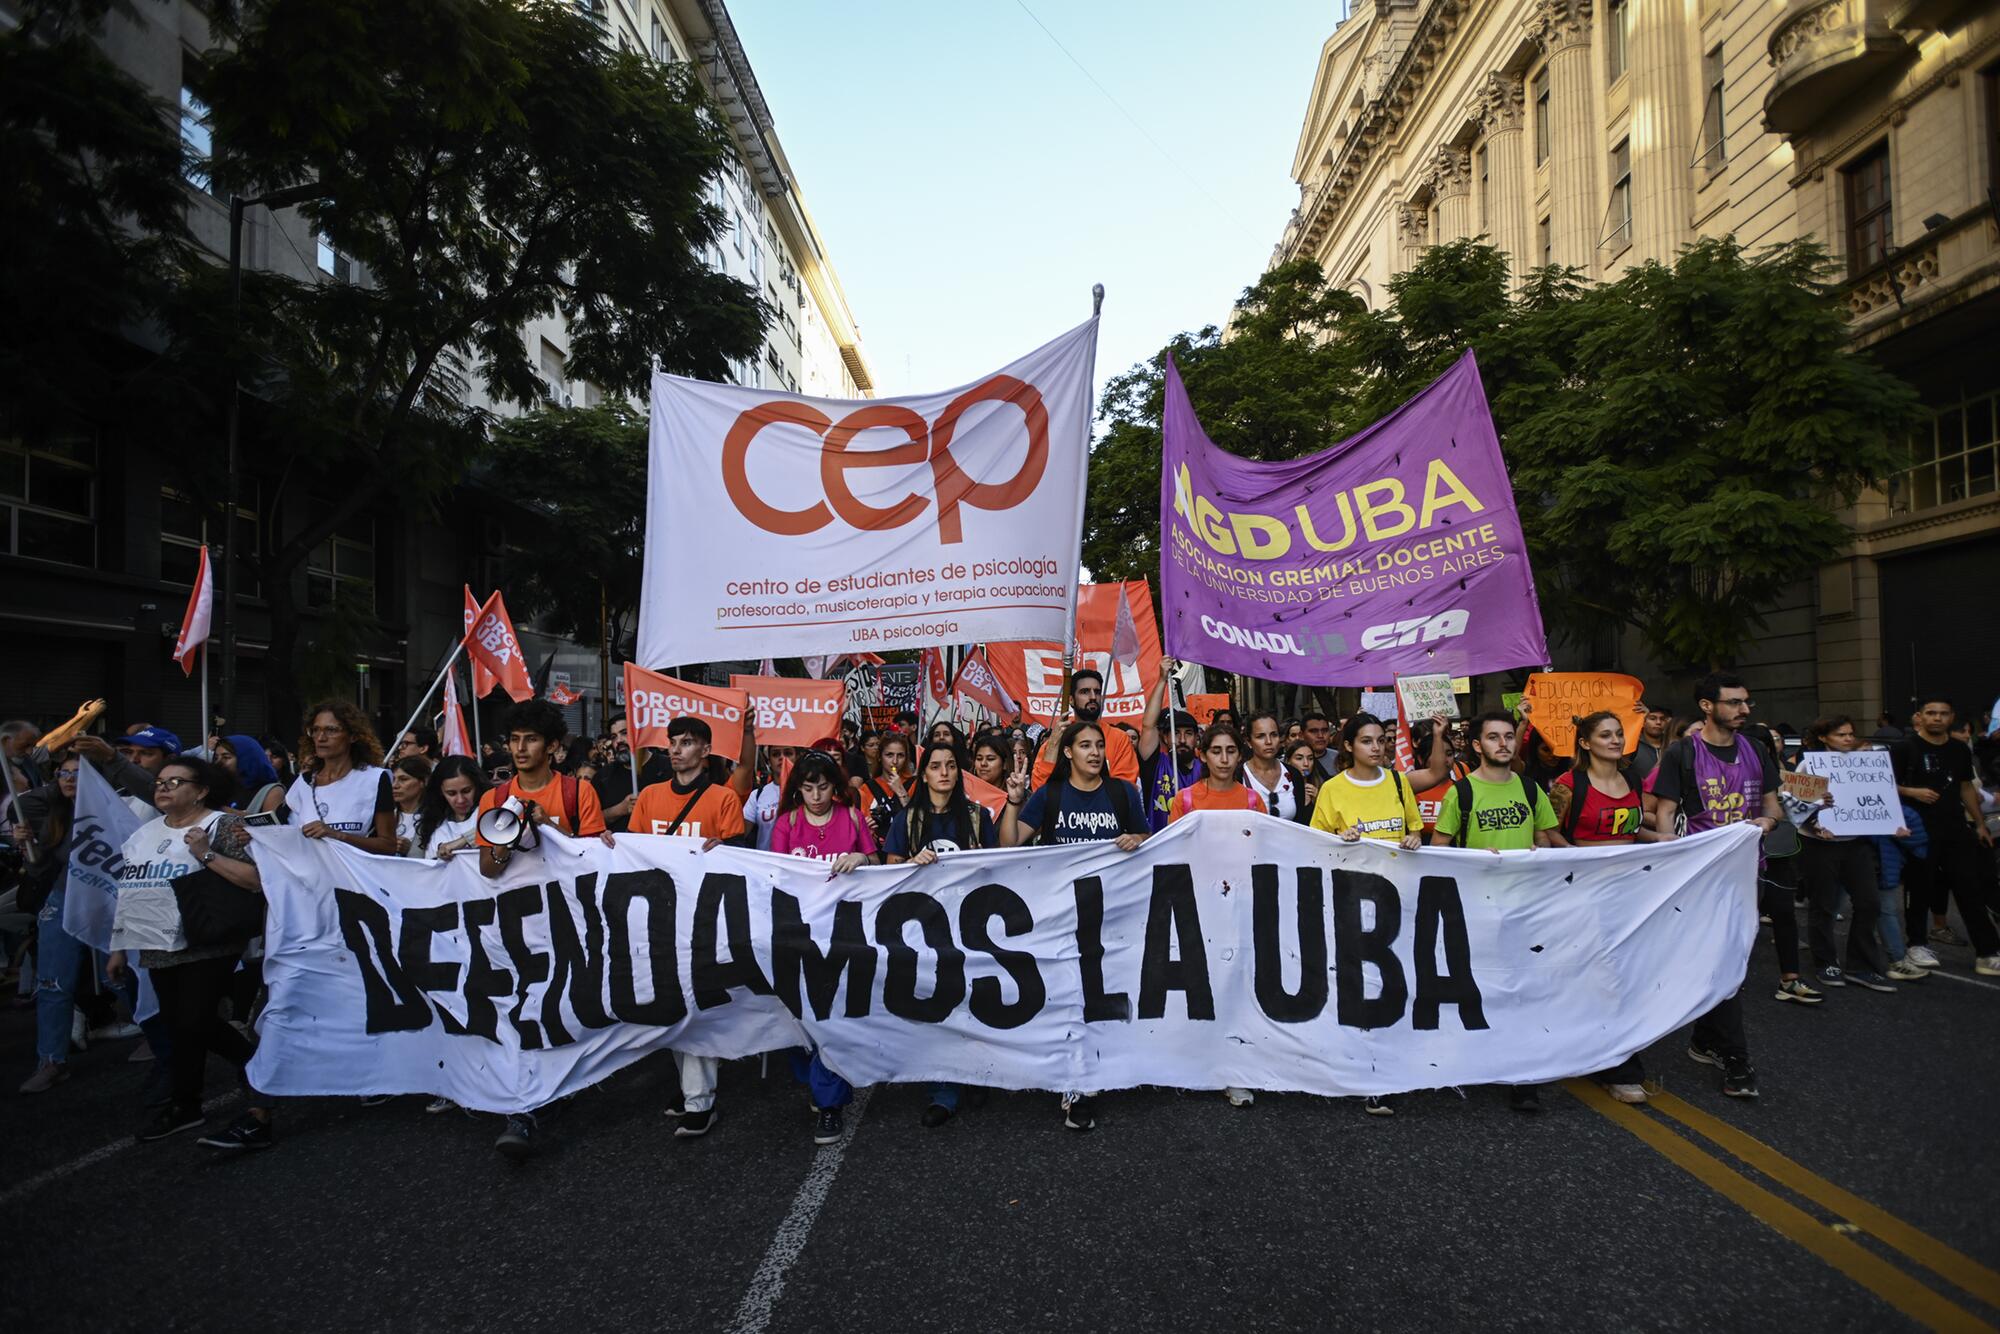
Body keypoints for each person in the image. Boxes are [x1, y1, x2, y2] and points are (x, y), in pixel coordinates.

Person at [105, 756, 274, 1150]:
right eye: (160, 782)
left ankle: (257, 1070)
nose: (163, 788)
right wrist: (118, 948)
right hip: (157, 945)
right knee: (180, 1025)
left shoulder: (222, 826)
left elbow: (256, 879)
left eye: (175, 782)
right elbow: (129, 892)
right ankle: (188, 1104)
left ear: (201, 791)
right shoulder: (144, 835)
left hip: (207, 941)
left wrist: (205, 854)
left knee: (194, 1021)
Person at [475, 699, 615, 1156]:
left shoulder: (577, 793)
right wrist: (507, 838)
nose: (520, 748)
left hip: (567, 918)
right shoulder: (494, 799)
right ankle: (526, 1107)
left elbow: (589, 859)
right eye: (514, 740)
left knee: (563, 1003)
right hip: (516, 921)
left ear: (552, 747)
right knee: (523, 1008)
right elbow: (488, 868)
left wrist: (549, 824)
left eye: (531, 740)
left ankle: (556, 1084)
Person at [1001, 720, 1148, 1131]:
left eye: (1099, 745)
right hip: (1061, 917)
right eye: (1085, 745)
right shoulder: (1049, 795)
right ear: (1068, 752)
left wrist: (1138, 840)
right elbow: (1009, 844)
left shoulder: (1123, 793)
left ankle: (1102, 1069)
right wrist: (1013, 802)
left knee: (1100, 997)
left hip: (1112, 916)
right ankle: (1077, 1084)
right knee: (1069, 1000)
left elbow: (1147, 840)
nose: (1095, 752)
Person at [1650, 673, 1786, 1099]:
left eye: (1746, 702)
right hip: (1701, 877)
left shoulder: (1756, 750)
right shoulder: (1683, 752)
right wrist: (1669, 852)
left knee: (1730, 960)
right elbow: (1665, 811)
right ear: (1707, 706)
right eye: (1733, 702)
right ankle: (1736, 1058)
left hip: (1747, 872)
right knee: (1722, 961)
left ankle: (1705, 1039)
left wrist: (1767, 822)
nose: (1744, 710)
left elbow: (1773, 805)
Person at [1429, 710, 1559, 1113]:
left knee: (1521, 988)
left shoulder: (1530, 789)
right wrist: (1472, 859)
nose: (1503, 743)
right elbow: (1438, 849)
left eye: (1508, 736)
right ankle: (1471, 1057)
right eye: (1493, 737)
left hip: (1522, 906)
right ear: (1477, 745)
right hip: (1477, 908)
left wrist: (1539, 850)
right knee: (1479, 984)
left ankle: (1522, 1076)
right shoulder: (1462, 793)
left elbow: (1545, 838)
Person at [628, 715, 745, 1140]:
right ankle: (691, 1086)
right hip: (659, 917)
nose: (676, 750)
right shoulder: (649, 796)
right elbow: (633, 853)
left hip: (702, 919)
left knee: (692, 1001)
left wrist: (725, 849)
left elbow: (738, 860)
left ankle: (699, 1100)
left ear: (706, 750)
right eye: (673, 742)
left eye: (687, 742)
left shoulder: (723, 798)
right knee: (669, 1002)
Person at [1545, 710, 1661, 1104]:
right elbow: (1547, 831)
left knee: (1627, 975)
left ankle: (1611, 1055)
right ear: (1585, 743)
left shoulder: (1632, 780)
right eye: (1606, 735)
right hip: (1584, 894)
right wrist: (1578, 858)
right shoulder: (1569, 784)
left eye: (1618, 734)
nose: (1615, 741)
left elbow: (1631, 827)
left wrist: (1660, 841)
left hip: (1628, 891)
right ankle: (1616, 1066)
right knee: (1599, 976)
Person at [885, 742, 998, 1128]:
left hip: (971, 924)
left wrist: (981, 861)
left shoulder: (978, 817)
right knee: (938, 1006)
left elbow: (1000, 868)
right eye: (935, 766)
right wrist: (911, 864)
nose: (944, 773)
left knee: (976, 1001)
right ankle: (944, 1088)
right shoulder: (907, 820)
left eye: (951, 765)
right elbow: (889, 871)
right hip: (925, 928)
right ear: (924, 774)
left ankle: (980, 1074)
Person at [1891, 696, 1999, 974]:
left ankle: (1987, 953)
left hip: (1955, 829)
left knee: (1970, 889)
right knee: (1919, 889)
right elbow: (1884, 785)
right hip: (1918, 831)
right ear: (1920, 717)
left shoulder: (1959, 749)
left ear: (1951, 718)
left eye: (1943, 713)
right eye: (1931, 713)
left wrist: (1979, 824)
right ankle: (1916, 944)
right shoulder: (1904, 748)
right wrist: (1912, 792)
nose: (1937, 718)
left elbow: (1965, 787)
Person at [1797, 716, 1898, 993]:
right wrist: (1816, 823)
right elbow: (1796, 808)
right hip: (1819, 845)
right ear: (1823, 738)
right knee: (1823, 905)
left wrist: (1892, 823)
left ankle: (1861, 966)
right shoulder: (1809, 765)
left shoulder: (1865, 764)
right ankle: (1825, 962)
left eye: (1850, 734)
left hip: (1855, 843)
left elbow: (1879, 798)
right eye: (1841, 735)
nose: (1848, 739)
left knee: (1869, 903)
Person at [13, 756, 89, 1093]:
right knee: (52, 984)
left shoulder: (115, 809)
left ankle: (161, 1040)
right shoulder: (56, 814)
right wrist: (28, 846)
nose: (69, 779)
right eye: (63, 773)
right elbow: (41, 870)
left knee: (122, 978)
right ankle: (51, 1061)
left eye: (78, 773)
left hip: (108, 900)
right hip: (62, 899)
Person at [286, 702, 398, 856]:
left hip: (353, 869)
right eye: (315, 730)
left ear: (353, 736)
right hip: (309, 870)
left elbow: (388, 845)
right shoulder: (303, 782)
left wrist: (338, 835)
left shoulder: (375, 779)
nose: (321, 738)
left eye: (331, 730)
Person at [1169, 723, 1265, 822]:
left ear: (1240, 756)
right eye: (1216, 752)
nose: (1224, 759)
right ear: (1203, 756)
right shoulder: (1184, 800)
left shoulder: (1254, 801)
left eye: (1231, 751)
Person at [413, 755, 487, 862]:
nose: (460, 800)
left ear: (477, 786)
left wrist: (464, 840)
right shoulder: (430, 823)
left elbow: (499, 829)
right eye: (451, 793)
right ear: (440, 792)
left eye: (466, 791)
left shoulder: (493, 810)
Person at [1241, 712, 1309, 824]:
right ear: (1249, 742)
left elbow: (1301, 822)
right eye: (1260, 736)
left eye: (1274, 735)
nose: (1269, 742)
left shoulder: (1294, 775)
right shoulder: (1238, 776)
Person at [857, 731, 914, 846]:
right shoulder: (866, 788)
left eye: (900, 755)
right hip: (879, 849)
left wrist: (901, 791)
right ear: (879, 757)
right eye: (889, 755)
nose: (895, 761)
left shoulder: (915, 784)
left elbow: (918, 822)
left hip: (907, 848)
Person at [214, 734, 285, 819]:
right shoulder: (220, 786)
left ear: (246, 759)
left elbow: (272, 825)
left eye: (226, 757)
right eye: (216, 758)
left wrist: (227, 811)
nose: (218, 762)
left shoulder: (271, 791)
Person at [390, 755, 432, 856]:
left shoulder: (433, 818)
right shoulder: (385, 814)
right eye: (393, 779)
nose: (395, 785)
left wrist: (411, 849)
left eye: (403, 779)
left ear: (424, 781)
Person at [1629, 704, 1671, 785]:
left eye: (1662, 719)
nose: (1658, 722)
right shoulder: (1633, 746)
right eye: (1652, 718)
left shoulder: (1672, 745)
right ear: (1643, 722)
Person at [1301, 711, 1339, 782]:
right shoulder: (1289, 762)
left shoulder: (1340, 758)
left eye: (1324, 730)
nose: (1320, 735)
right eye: (1314, 731)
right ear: (1302, 735)